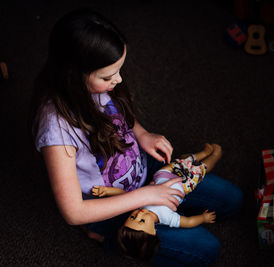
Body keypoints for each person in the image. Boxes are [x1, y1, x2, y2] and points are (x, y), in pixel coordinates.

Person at [30, 8, 243, 266]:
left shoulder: (99, 85)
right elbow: (73, 212)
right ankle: (112, 238)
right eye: (108, 76)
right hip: (112, 203)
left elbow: (118, 115)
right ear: (73, 75)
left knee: (233, 200)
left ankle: (162, 217)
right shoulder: (57, 129)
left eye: (119, 70)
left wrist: (142, 134)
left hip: (144, 172)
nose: (118, 80)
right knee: (207, 250)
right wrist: (148, 196)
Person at [91, 143, 221, 260]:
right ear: (152, 231)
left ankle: (202, 154)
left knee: (181, 162)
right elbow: (188, 222)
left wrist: (108, 191)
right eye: (142, 221)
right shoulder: (166, 217)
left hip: (162, 175)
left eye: (133, 216)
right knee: (199, 170)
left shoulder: (138, 206)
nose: (139, 214)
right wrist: (203, 218)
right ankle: (214, 156)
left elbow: (125, 195)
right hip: (183, 184)